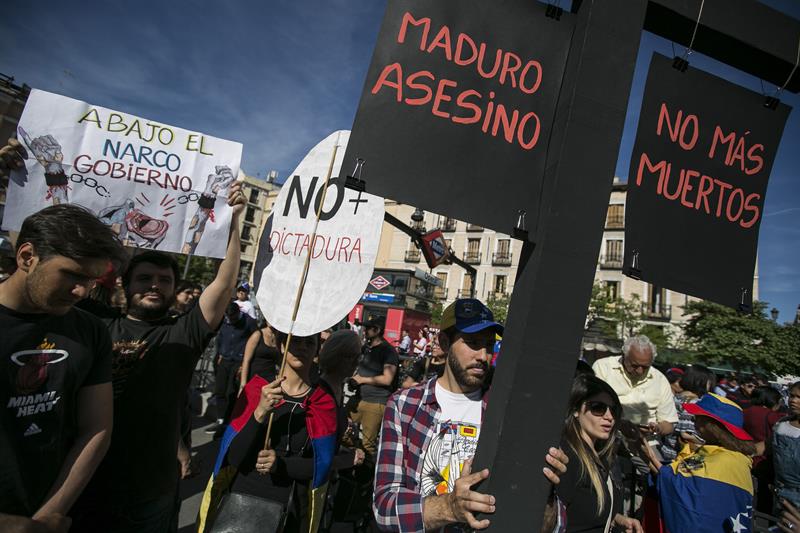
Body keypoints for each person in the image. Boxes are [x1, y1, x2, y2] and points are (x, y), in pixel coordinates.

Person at [70, 182, 246, 532]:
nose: (154, 285)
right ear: (124, 284)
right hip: (83, 486)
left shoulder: (184, 331)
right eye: (145, 278)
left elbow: (224, 285)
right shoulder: (95, 323)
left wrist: (233, 220)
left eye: (164, 280)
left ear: (174, 288)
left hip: (151, 492)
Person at [373, 298, 569, 532]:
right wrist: (449, 508)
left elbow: (556, 524)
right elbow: (385, 507)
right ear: (444, 342)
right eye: (473, 343)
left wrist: (543, 492)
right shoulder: (405, 405)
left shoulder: (509, 412)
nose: (483, 355)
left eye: (489, 345)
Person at [0, 204, 126, 533]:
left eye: (91, 280)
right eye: (72, 275)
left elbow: (96, 428)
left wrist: (45, 516)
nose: (82, 291)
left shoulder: (90, 331)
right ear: (27, 256)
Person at [202, 330, 337, 533]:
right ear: (282, 346)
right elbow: (234, 456)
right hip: (241, 505)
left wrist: (280, 465)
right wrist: (260, 411)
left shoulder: (323, 402)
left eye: (309, 343)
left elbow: (321, 466)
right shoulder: (256, 389)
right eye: (295, 341)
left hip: (290, 511)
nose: (302, 348)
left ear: (316, 349)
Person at [642, 393, 756, 533]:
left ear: (712, 425)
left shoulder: (728, 461)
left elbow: (683, 492)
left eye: (699, 416)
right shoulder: (719, 454)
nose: (694, 418)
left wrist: (649, 455)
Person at [556, 375, 642, 532]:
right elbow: (556, 518)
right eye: (598, 408)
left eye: (613, 410)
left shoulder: (602, 457)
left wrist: (616, 519)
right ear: (576, 410)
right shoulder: (567, 456)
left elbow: (583, 509)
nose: (609, 417)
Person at [592, 336, 677, 439]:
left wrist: (657, 429)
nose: (640, 371)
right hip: (607, 434)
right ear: (624, 356)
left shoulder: (660, 379)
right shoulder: (603, 367)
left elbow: (669, 424)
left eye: (645, 367)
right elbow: (593, 406)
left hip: (645, 439)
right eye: (634, 366)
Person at [350, 318, 399, 459]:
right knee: (342, 431)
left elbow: (387, 378)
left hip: (376, 402)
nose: (364, 331)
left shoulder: (388, 351)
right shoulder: (366, 348)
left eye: (368, 328)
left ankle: (366, 477)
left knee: (368, 445)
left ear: (377, 330)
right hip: (358, 398)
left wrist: (361, 380)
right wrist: (354, 379)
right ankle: (351, 466)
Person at [207, 302, 258, 434]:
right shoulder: (225, 320)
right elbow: (221, 337)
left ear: (238, 313)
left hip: (239, 361)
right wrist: (219, 353)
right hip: (224, 359)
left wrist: (244, 363)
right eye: (229, 317)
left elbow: (254, 340)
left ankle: (229, 421)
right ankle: (220, 420)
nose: (231, 320)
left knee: (231, 391)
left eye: (234, 317)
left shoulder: (249, 322)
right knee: (220, 390)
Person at [660, 364, 716, 461]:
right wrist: (708, 443)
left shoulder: (676, 398)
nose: (710, 385)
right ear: (699, 381)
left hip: (668, 450)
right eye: (709, 382)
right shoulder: (692, 403)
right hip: (682, 456)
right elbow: (686, 435)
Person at [744, 386, 785, 513]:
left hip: (745, 458)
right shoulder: (772, 416)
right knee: (764, 502)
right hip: (764, 463)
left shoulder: (743, 412)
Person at [773, 381, 800, 513]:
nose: (793, 400)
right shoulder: (782, 424)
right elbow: (767, 447)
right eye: (792, 396)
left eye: (799, 397)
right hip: (781, 494)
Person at [240, 320, 282, 388]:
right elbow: (246, 361)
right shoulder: (257, 335)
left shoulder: (280, 338)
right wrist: (243, 384)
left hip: (269, 381)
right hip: (254, 379)